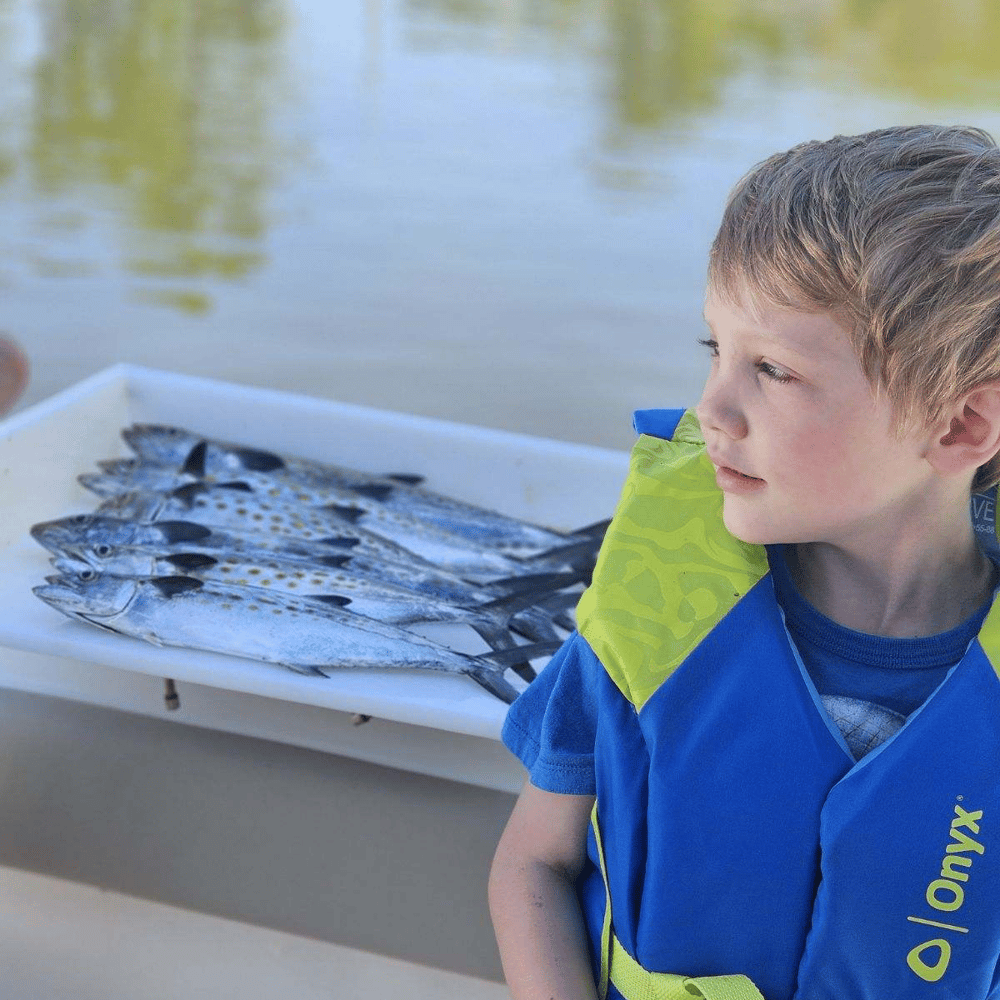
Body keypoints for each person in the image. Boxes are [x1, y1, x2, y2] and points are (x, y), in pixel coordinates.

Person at [488, 124, 1000, 1000]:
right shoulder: (656, 616)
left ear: (958, 427)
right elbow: (532, 862)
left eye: (773, 369)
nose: (712, 409)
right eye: (713, 351)